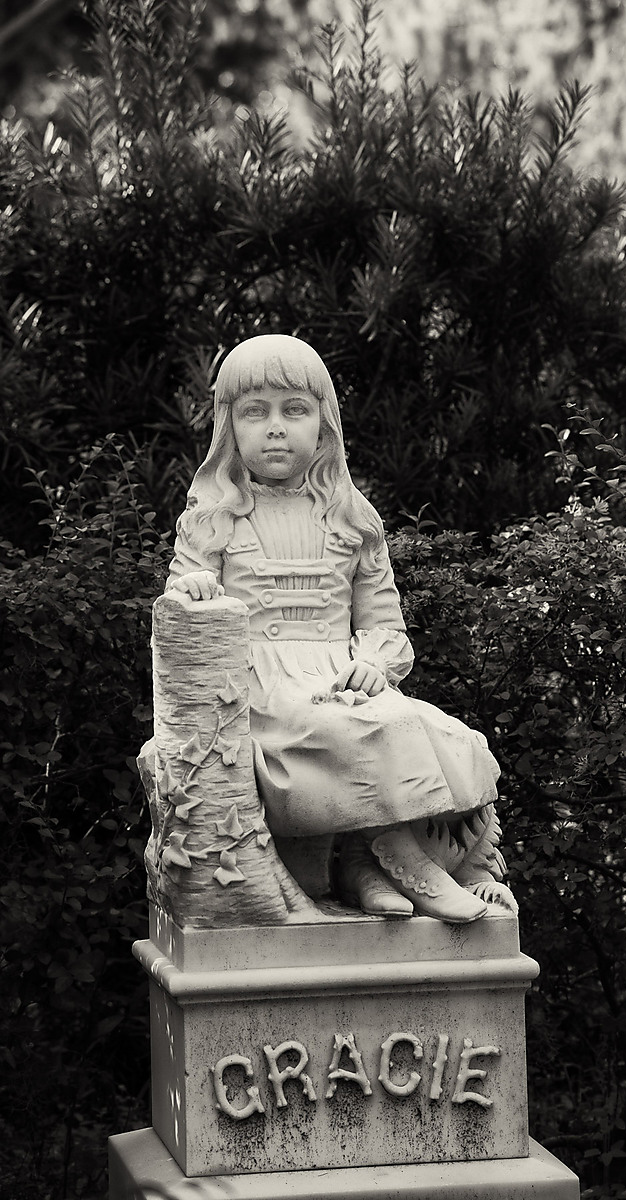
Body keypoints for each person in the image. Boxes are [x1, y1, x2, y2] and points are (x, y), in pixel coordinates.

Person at [166, 334, 501, 923]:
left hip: (342, 682)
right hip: (260, 691)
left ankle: (386, 867)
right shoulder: (211, 517)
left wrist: (374, 662)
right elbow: (183, 597)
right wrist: (194, 589)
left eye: (294, 410)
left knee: (443, 733)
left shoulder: (351, 518)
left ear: (324, 424)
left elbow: (385, 627)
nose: (276, 428)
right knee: (375, 730)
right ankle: (405, 864)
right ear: (228, 427)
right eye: (255, 411)